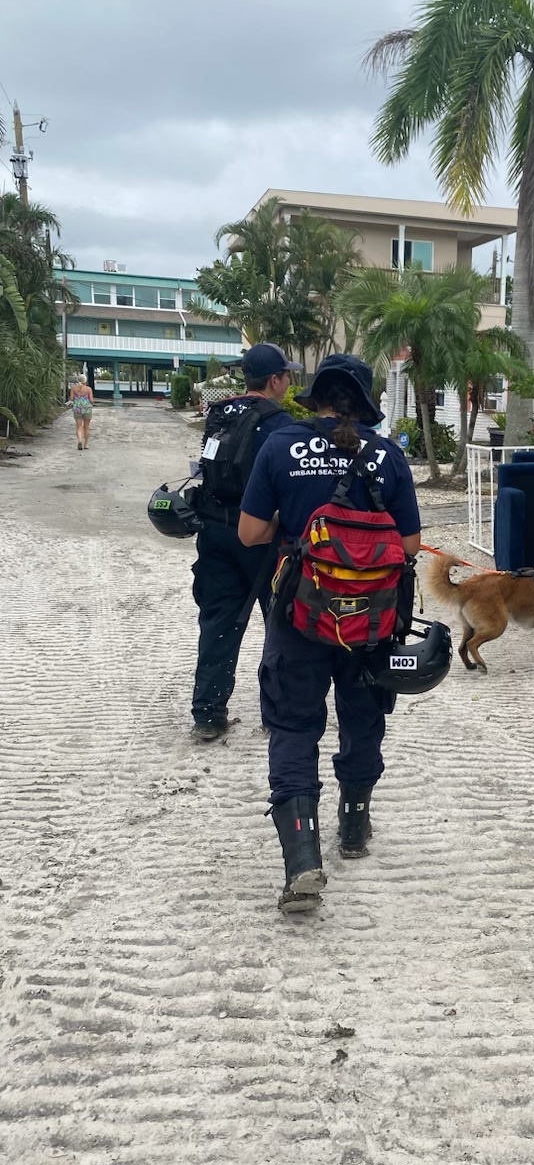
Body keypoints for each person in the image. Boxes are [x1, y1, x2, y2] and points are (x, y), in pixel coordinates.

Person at [239, 354, 421, 913]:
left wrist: (294, 527)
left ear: (314, 397)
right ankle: (355, 826)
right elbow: (410, 548)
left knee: (293, 726)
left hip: (301, 615)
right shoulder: (388, 456)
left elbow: (249, 535)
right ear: (364, 403)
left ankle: (302, 859)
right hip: (371, 621)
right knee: (363, 717)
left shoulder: (280, 447)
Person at [190, 343, 298, 742]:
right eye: (287, 375)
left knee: (218, 621)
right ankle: (278, 712)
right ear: (274, 380)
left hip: (215, 530)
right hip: (262, 537)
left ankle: (208, 713)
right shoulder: (280, 424)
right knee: (281, 625)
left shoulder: (220, 413)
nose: (289, 381)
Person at [69, 378, 95, 451]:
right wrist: (91, 403)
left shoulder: (73, 388)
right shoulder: (88, 389)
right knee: (86, 427)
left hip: (77, 409)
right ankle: (86, 444)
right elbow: (91, 400)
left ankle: (80, 440)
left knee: (79, 427)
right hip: (87, 409)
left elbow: (71, 398)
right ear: (85, 381)